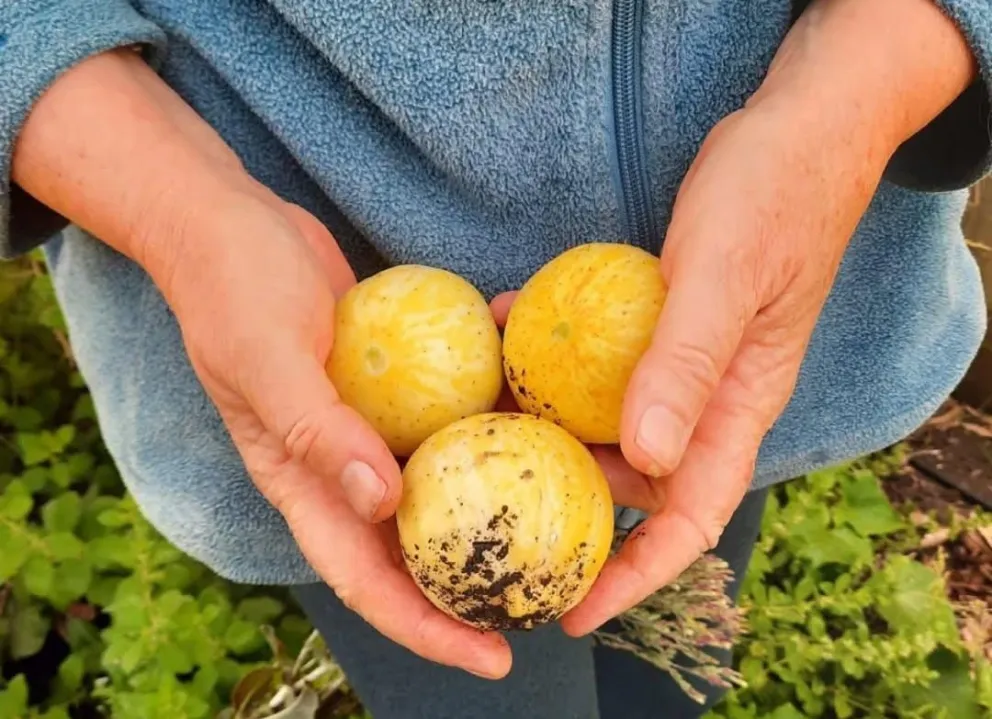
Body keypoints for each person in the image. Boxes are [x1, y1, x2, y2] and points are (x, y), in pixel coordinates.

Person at [2, 0, 989, 716]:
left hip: (740, 352)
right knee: (481, 695)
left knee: (672, 662)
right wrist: (176, 208)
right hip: (320, 406)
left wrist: (859, 84)